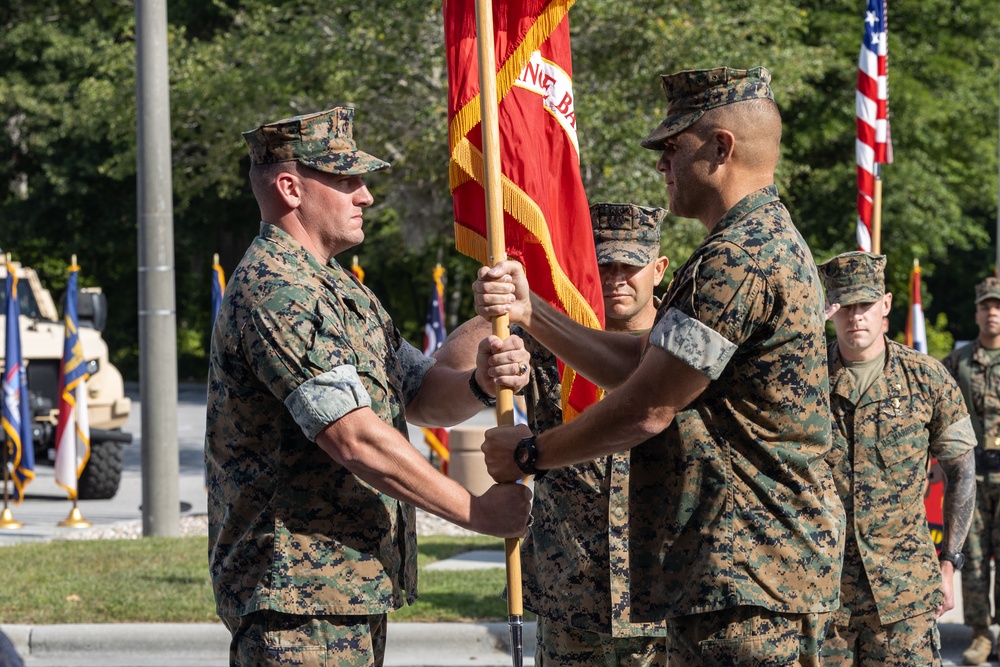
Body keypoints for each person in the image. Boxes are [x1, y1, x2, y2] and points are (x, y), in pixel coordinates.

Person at [474, 66, 844, 666]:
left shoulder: (740, 258)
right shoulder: (752, 243)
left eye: (674, 146)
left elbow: (648, 407)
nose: (661, 164)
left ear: (721, 148)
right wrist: (534, 313)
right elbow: (647, 363)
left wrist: (530, 454)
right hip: (744, 574)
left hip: (746, 576)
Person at [205, 106, 533, 667]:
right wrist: (477, 514)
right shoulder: (276, 289)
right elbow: (354, 438)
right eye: (347, 180)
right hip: (296, 607)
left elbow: (423, 392)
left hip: (341, 596)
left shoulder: (337, 289)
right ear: (290, 187)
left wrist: (479, 380)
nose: (366, 196)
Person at [437, 202, 671, 665]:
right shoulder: (550, 337)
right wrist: (494, 345)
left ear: (659, 269)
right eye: (603, 264)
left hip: (664, 591)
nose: (616, 278)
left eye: (631, 265)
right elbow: (446, 368)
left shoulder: (684, 343)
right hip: (570, 593)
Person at [817, 251, 976, 666]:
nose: (856, 317)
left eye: (865, 305)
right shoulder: (804, 380)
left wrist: (950, 562)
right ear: (829, 308)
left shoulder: (928, 378)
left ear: (885, 305)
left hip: (904, 594)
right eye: (845, 306)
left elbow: (962, 474)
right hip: (820, 595)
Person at [943, 276, 1000, 665]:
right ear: (976, 311)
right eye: (985, 306)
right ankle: (980, 634)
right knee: (974, 558)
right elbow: (940, 413)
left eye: (997, 306)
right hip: (973, 476)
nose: (991, 312)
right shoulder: (959, 362)